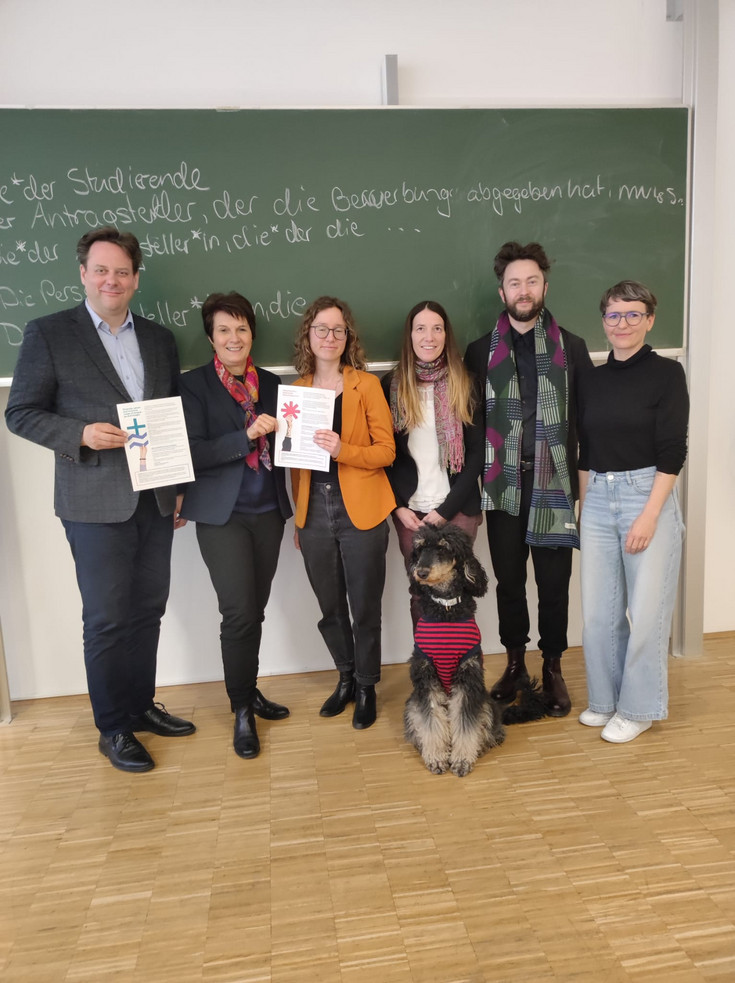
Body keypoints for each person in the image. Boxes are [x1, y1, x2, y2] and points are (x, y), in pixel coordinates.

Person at [5, 226, 194, 773]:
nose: (112, 279)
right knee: (108, 618)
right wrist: (79, 435)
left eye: (123, 271)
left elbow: (170, 418)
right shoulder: (49, 334)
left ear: (136, 279)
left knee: (148, 610)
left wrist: (178, 485)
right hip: (93, 501)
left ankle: (139, 706)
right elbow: (20, 412)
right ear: (84, 274)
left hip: (156, 496)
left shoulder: (159, 339)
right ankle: (112, 727)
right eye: (102, 270)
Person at [464, 241, 593, 717]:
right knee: (509, 581)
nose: (524, 290)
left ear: (544, 286)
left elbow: (585, 422)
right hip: (503, 488)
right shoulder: (480, 352)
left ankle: (553, 665)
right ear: (502, 291)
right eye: (514, 282)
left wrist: (583, 489)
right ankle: (515, 661)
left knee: (555, 582)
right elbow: (472, 426)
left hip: (555, 488)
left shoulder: (573, 348)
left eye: (531, 280)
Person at [178, 292, 293, 759]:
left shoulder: (271, 383)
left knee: (256, 609)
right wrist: (244, 436)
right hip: (221, 516)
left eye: (241, 329)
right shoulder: (194, 385)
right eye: (224, 330)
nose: (233, 338)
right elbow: (192, 452)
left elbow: (289, 447)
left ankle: (250, 689)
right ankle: (241, 709)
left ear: (252, 335)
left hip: (268, 512)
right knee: (239, 613)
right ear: (211, 336)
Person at [577, 281, 688, 743]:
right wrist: (585, 505)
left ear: (650, 319)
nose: (623, 324)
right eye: (614, 315)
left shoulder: (667, 373)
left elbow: (672, 451)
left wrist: (649, 514)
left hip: (649, 494)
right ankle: (606, 701)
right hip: (599, 495)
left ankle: (639, 708)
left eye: (633, 314)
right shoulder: (593, 378)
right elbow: (584, 449)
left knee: (645, 612)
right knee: (599, 613)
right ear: (603, 321)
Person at [291, 296, 395, 730]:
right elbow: (291, 463)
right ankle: (346, 677)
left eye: (337, 330)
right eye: (321, 329)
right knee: (329, 606)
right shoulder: (294, 393)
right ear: (309, 337)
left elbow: (387, 451)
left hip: (363, 510)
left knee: (365, 606)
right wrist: (298, 517)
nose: (329, 337)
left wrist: (343, 450)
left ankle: (369, 685)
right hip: (313, 509)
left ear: (347, 337)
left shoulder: (366, 386)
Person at [381, 300, 484, 627]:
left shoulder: (464, 383)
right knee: (421, 592)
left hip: (457, 508)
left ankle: (463, 670)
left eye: (437, 328)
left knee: (458, 588)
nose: (429, 336)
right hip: (410, 513)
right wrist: (397, 507)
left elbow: (477, 455)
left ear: (446, 334)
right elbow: (385, 455)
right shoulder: (391, 386)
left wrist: (444, 510)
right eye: (421, 328)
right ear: (410, 336)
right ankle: (428, 671)